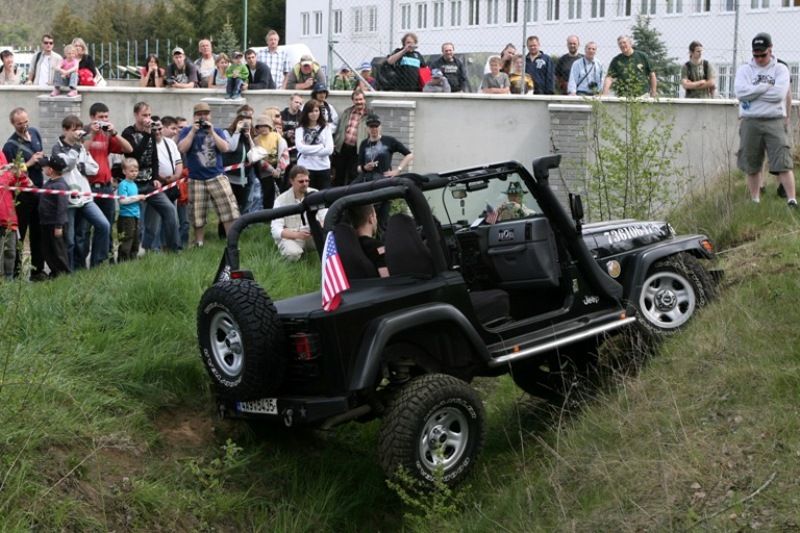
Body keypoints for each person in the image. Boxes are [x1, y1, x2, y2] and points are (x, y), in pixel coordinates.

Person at [734, 32, 796, 207]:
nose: (760, 58)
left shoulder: (780, 69)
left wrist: (752, 94)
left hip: (774, 119)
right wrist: (764, 87)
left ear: (770, 50)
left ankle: (791, 200)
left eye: (763, 54)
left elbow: (778, 95)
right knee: (752, 163)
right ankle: (755, 199)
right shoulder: (745, 69)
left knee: (783, 161)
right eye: (756, 55)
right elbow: (740, 93)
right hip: (750, 121)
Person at [51, 115, 110, 270]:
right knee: (69, 240)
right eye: (74, 129)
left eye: (79, 129)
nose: (78, 132)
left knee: (103, 225)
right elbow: (64, 166)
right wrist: (76, 151)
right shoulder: (57, 148)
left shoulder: (81, 147)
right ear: (65, 130)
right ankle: (68, 270)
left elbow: (94, 168)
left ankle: (97, 263)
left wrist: (81, 166)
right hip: (68, 199)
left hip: (85, 196)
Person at [121, 102, 181, 252]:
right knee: (136, 221)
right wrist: (147, 134)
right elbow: (135, 155)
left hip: (149, 183)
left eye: (149, 115)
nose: (147, 118)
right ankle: (133, 251)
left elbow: (154, 157)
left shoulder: (152, 132)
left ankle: (174, 248)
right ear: (136, 115)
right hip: (134, 184)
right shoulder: (128, 133)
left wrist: (155, 177)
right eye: (144, 115)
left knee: (169, 211)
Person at [177, 102, 239, 247]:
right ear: (194, 117)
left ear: (210, 115)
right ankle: (199, 242)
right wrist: (193, 131)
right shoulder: (187, 131)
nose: (203, 117)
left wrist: (212, 132)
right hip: (196, 178)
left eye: (206, 114)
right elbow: (182, 148)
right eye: (199, 114)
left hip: (216, 175)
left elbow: (225, 148)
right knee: (197, 213)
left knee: (228, 210)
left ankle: (231, 242)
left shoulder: (217, 130)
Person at [83, 102, 133, 264]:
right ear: (92, 117)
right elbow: (81, 151)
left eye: (106, 117)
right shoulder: (84, 132)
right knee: (85, 229)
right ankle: (80, 263)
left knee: (107, 225)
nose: (104, 120)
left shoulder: (107, 135)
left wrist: (115, 133)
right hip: (88, 188)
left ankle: (103, 261)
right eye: (100, 117)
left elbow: (128, 149)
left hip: (106, 187)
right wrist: (91, 133)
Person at [3, 108, 47, 280]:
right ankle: (16, 273)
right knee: (20, 235)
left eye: (26, 121)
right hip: (21, 196)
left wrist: (43, 160)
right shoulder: (9, 146)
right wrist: (29, 163)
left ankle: (38, 271)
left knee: (38, 233)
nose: (24, 125)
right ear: (13, 124)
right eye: (20, 123)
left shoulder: (35, 133)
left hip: (38, 191)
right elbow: (11, 172)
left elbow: (40, 155)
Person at [357, 114, 413, 231]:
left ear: (380, 127)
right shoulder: (363, 144)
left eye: (376, 126)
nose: (374, 129)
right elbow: (358, 168)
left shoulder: (389, 141)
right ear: (367, 128)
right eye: (371, 127)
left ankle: (384, 244)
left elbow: (409, 154)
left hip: (384, 182)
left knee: (383, 219)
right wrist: (365, 167)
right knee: (368, 217)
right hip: (367, 183)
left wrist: (397, 170)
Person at [270, 165, 319, 261]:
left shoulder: (315, 194)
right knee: (292, 254)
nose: (305, 184)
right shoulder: (281, 200)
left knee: (333, 239)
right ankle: (294, 253)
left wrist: (317, 228)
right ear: (291, 181)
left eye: (307, 181)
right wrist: (297, 235)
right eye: (301, 181)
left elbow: (326, 218)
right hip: (291, 236)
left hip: (311, 235)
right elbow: (275, 230)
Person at [0, 151, 32, 279]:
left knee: (10, 252)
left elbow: (27, 184)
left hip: (8, 218)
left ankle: (9, 280)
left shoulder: (7, 174)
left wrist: (19, 173)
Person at [38, 155, 71, 278]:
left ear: (50, 170)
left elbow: (62, 208)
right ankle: (55, 272)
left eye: (45, 167)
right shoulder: (50, 183)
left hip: (55, 224)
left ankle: (64, 274)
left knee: (59, 251)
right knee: (48, 251)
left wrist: (59, 226)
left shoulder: (60, 186)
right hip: (46, 223)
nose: (43, 169)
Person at [333, 88, 372, 186]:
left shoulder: (369, 115)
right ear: (353, 101)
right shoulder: (347, 112)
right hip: (342, 147)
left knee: (353, 175)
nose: (359, 102)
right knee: (339, 174)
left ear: (364, 100)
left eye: (361, 99)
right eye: (356, 100)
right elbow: (339, 128)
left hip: (357, 150)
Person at [222, 110, 256, 217]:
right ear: (237, 122)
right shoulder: (227, 132)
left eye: (249, 125)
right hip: (230, 176)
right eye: (244, 124)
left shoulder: (246, 136)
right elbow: (231, 147)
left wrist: (249, 136)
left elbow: (254, 154)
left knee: (243, 203)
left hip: (244, 176)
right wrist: (237, 131)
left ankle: (240, 225)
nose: (246, 126)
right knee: (230, 205)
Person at [252, 111, 289, 209]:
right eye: (260, 126)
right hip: (265, 170)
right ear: (257, 128)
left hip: (279, 168)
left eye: (265, 125)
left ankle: (283, 210)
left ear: (270, 126)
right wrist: (271, 170)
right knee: (267, 192)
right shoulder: (256, 140)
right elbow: (259, 158)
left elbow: (284, 153)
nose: (263, 128)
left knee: (282, 190)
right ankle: (268, 213)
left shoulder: (277, 136)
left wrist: (279, 169)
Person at [295, 100, 334, 191]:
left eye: (316, 111)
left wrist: (308, 149)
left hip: (323, 167)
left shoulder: (326, 128)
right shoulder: (300, 129)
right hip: (305, 167)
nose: (314, 114)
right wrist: (320, 147)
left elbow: (329, 150)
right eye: (311, 111)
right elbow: (301, 148)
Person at [116, 158, 147, 262]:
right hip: (126, 217)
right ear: (124, 171)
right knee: (126, 240)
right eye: (131, 171)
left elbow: (133, 199)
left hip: (136, 216)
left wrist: (139, 199)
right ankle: (123, 262)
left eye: (136, 171)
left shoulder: (134, 185)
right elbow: (123, 201)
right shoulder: (123, 184)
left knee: (135, 240)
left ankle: (133, 261)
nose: (134, 173)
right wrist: (137, 198)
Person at [347, 204, 388, 277]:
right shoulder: (378, 248)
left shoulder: (348, 247)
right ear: (371, 218)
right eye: (375, 216)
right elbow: (386, 277)